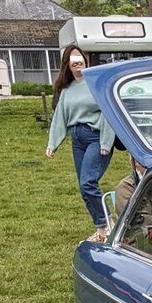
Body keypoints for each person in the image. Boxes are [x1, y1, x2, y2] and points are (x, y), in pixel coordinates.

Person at [45, 45, 116, 242]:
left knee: (88, 182)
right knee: (83, 188)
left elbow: (108, 112)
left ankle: (108, 223)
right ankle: (102, 230)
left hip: (96, 137)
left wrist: (106, 142)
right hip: (77, 139)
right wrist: (53, 144)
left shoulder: (95, 84)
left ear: (84, 61)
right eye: (72, 60)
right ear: (67, 65)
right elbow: (60, 116)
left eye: (79, 59)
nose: (77, 63)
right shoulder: (66, 90)